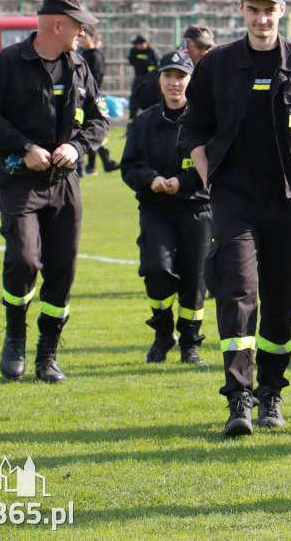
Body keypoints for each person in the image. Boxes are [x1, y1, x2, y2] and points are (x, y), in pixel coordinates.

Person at [180, 0, 291, 436]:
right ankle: (239, 398)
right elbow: (193, 127)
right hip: (235, 198)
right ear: (242, 10)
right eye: (254, 9)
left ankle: (270, 393)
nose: (262, 17)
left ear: (282, 12)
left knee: (281, 303)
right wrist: (211, 181)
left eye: (270, 9)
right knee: (238, 291)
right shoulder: (218, 63)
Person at [0, 0, 109, 384]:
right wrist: (24, 147)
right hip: (20, 181)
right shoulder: (8, 64)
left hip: (65, 185)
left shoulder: (80, 65)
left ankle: (47, 354)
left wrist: (76, 146)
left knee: (63, 271)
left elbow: (99, 120)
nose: (84, 31)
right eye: (79, 24)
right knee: (24, 260)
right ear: (57, 25)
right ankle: (15, 333)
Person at [120, 51, 212, 365]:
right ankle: (162, 334)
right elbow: (129, 166)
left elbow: (212, 167)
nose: (174, 82)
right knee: (156, 271)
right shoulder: (144, 121)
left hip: (196, 210)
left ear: (191, 80)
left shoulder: (204, 121)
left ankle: (190, 343)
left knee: (194, 279)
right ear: (159, 79)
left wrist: (182, 182)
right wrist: (152, 180)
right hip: (156, 210)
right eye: (168, 75)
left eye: (181, 76)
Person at [78, 25, 119, 175]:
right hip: (85, 97)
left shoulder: (95, 55)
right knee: (90, 130)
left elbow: (94, 80)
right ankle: (95, 166)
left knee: (92, 129)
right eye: (80, 35)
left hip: (93, 98)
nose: (81, 38)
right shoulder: (81, 53)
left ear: (93, 38)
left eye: (85, 36)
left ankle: (89, 166)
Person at [128, 35, 161, 120]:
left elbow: (159, 65)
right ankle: (131, 124)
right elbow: (132, 62)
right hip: (139, 78)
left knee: (151, 100)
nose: (135, 46)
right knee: (134, 100)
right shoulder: (134, 51)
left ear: (143, 43)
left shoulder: (153, 51)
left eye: (137, 44)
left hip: (151, 80)